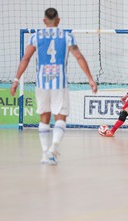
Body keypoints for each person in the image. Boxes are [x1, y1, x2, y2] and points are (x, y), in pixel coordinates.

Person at [10, 8, 97, 165]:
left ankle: (45, 153)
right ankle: (53, 149)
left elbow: (25, 59)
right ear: (58, 20)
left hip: (42, 82)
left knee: (44, 117)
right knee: (60, 117)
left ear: (44, 21)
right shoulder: (67, 36)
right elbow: (79, 57)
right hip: (59, 82)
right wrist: (90, 79)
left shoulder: (36, 36)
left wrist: (16, 79)